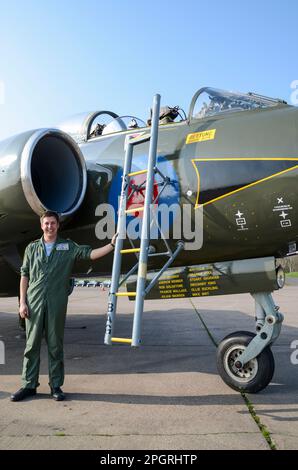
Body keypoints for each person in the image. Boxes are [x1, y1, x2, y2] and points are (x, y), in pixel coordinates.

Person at [11, 211, 117, 402]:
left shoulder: (67, 247)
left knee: (55, 345)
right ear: (41, 225)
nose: (49, 226)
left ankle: (56, 386)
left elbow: (90, 254)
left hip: (56, 302)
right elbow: (24, 275)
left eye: (53, 223)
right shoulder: (32, 248)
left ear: (58, 225)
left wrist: (111, 245)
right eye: (46, 223)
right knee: (31, 345)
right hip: (33, 302)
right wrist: (22, 302)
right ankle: (28, 385)